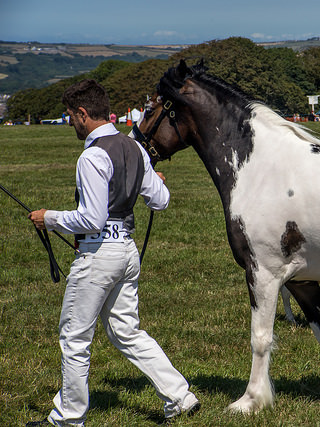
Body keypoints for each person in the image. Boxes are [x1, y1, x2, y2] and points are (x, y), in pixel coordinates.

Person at [26, 80, 199, 426]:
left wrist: (50, 218)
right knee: (127, 332)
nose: (71, 123)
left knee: (75, 338)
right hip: (127, 253)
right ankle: (180, 397)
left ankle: (68, 417)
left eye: (71, 117)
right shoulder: (135, 148)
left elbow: (91, 217)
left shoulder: (91, 156)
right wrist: (153, 182)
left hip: (97, 256)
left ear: (83, 114)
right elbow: (160, 201)